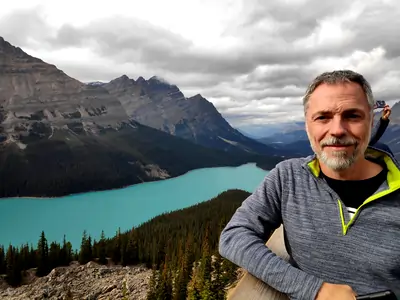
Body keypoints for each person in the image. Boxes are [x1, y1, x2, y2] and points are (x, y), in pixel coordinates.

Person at [219, 70, 400, 299]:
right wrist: (314, 290)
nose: (337, 130)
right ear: (307, 125)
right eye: (323, 117)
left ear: (371, 122)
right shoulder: (288, 177)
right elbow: (233, 236)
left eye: (353, 116)